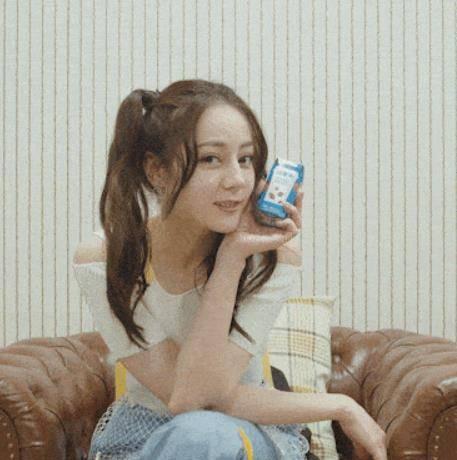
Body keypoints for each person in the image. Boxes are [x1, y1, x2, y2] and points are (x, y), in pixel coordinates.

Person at [72, 80, 387, 460]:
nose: (237, 180)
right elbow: (188, 397)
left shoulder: (270, 256)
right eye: (210, 159)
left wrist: (234, 257)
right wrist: (339, 406)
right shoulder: (108, 260)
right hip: (146, 439)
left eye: (246, 159)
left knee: (206, 435)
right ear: (157, 170)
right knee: (197, 434)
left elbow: (204, 402)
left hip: (246, 435)